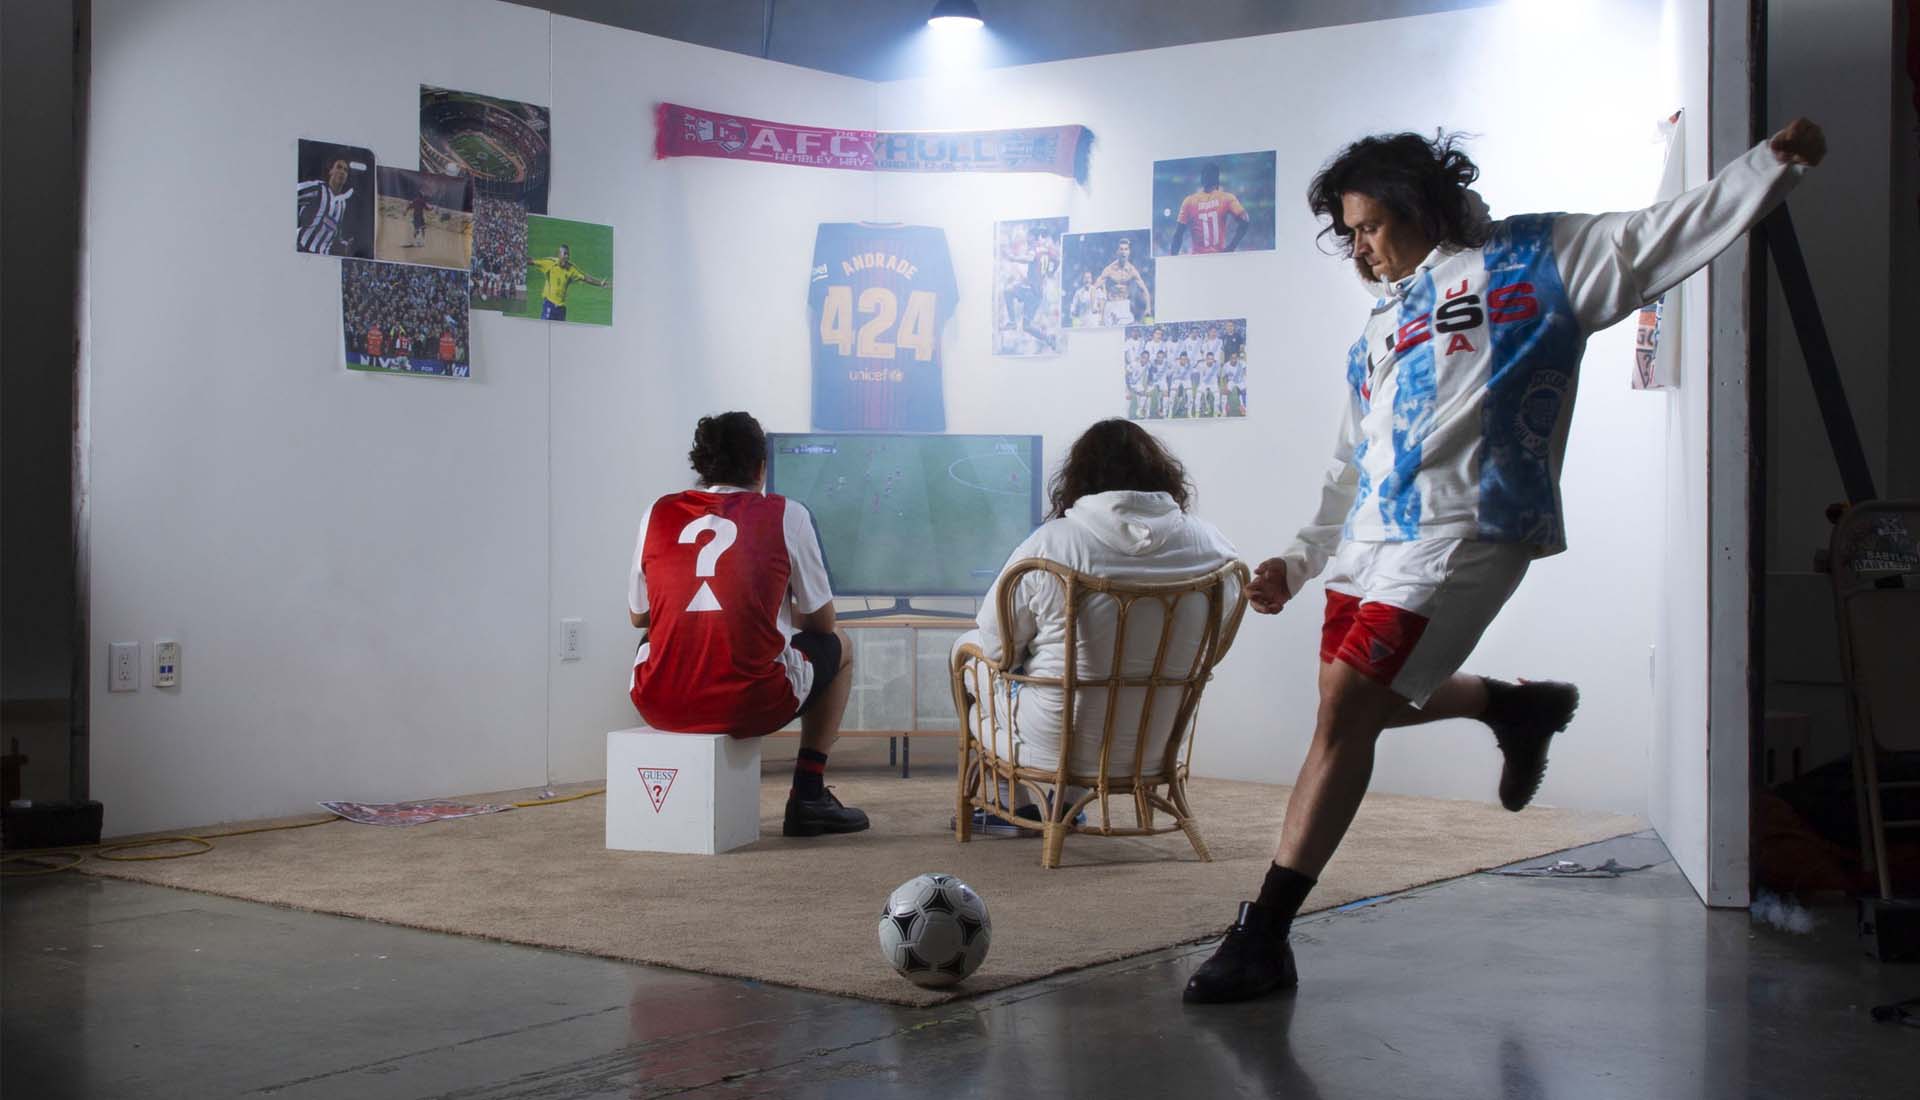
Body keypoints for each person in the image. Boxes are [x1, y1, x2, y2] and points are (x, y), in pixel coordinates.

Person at [1180, 118, 1826, 1005]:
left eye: (1370, 227)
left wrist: (1770, 166)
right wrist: (1299, 560)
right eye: (1350, 235)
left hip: (1469, 527)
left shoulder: (1536, 260)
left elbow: (1656, 235)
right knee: (1352, 709)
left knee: (1345, 710)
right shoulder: (1380, 323)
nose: (1359, 250)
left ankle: (1266, 935)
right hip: (1370, 543)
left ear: (1420, 204)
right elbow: (1349, 459)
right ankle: (1516, 706)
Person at [955, 419, 1241, 830]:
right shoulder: (1212, 545)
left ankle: (1010, 800)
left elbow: (999, 648)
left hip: (1056, 741)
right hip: (1159, 739)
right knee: (1097, 676)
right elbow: (1214, 643)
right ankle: (1065, 803)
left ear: (1078, 477)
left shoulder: (1052, 543)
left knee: (966, 650)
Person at [627, 412, 868, 837]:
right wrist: (771, 608)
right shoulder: (786, 513)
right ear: (761, 467)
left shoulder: (657, 512)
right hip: (749, 703)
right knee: (841, 644)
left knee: (656, 635)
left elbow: (639, 616)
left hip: (657, 700)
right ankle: (808, 795)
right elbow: (823, 621)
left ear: (701, 466)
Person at [1168, 162, 1250, 255]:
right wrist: (1231, 247)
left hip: (1197, 259)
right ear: (1217, 180)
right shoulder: (1227, 198)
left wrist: (1172, 259)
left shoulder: (1189, 201)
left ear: (1202, 180)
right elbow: (1245, 220)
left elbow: (1178, 234)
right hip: (1219, 257)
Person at [530, 244, 608, 322]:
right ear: (559, 254)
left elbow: (585, 278)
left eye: (568, 254)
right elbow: (532, 262)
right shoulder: (550, 263)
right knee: (544, 327)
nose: (567, 256)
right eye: (565, 254)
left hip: (561, 308)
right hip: (549, 304)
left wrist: (600, 283)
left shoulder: (571, 269)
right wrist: (523, 258)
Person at [296, 155, 357, 255]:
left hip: (322, 257)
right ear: (330, 171)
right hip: (301, 249)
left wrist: (344, 244)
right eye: (339, 167)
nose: (342, 172)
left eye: (345, 170)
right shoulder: (318, 188)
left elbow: (335, 233)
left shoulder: (342, 203)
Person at [1098, 236, 1152, 325]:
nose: (1123, 252)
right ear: (1117, 251)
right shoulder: (1109, 270)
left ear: (1129, 252)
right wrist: (1099, 311)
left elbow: (1144, 290)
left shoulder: (1132, 270)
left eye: (1126, 249)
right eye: (1121, 249)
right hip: (1111, 305)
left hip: (1124, 305)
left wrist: (1148, 308)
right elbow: (1096, 288)